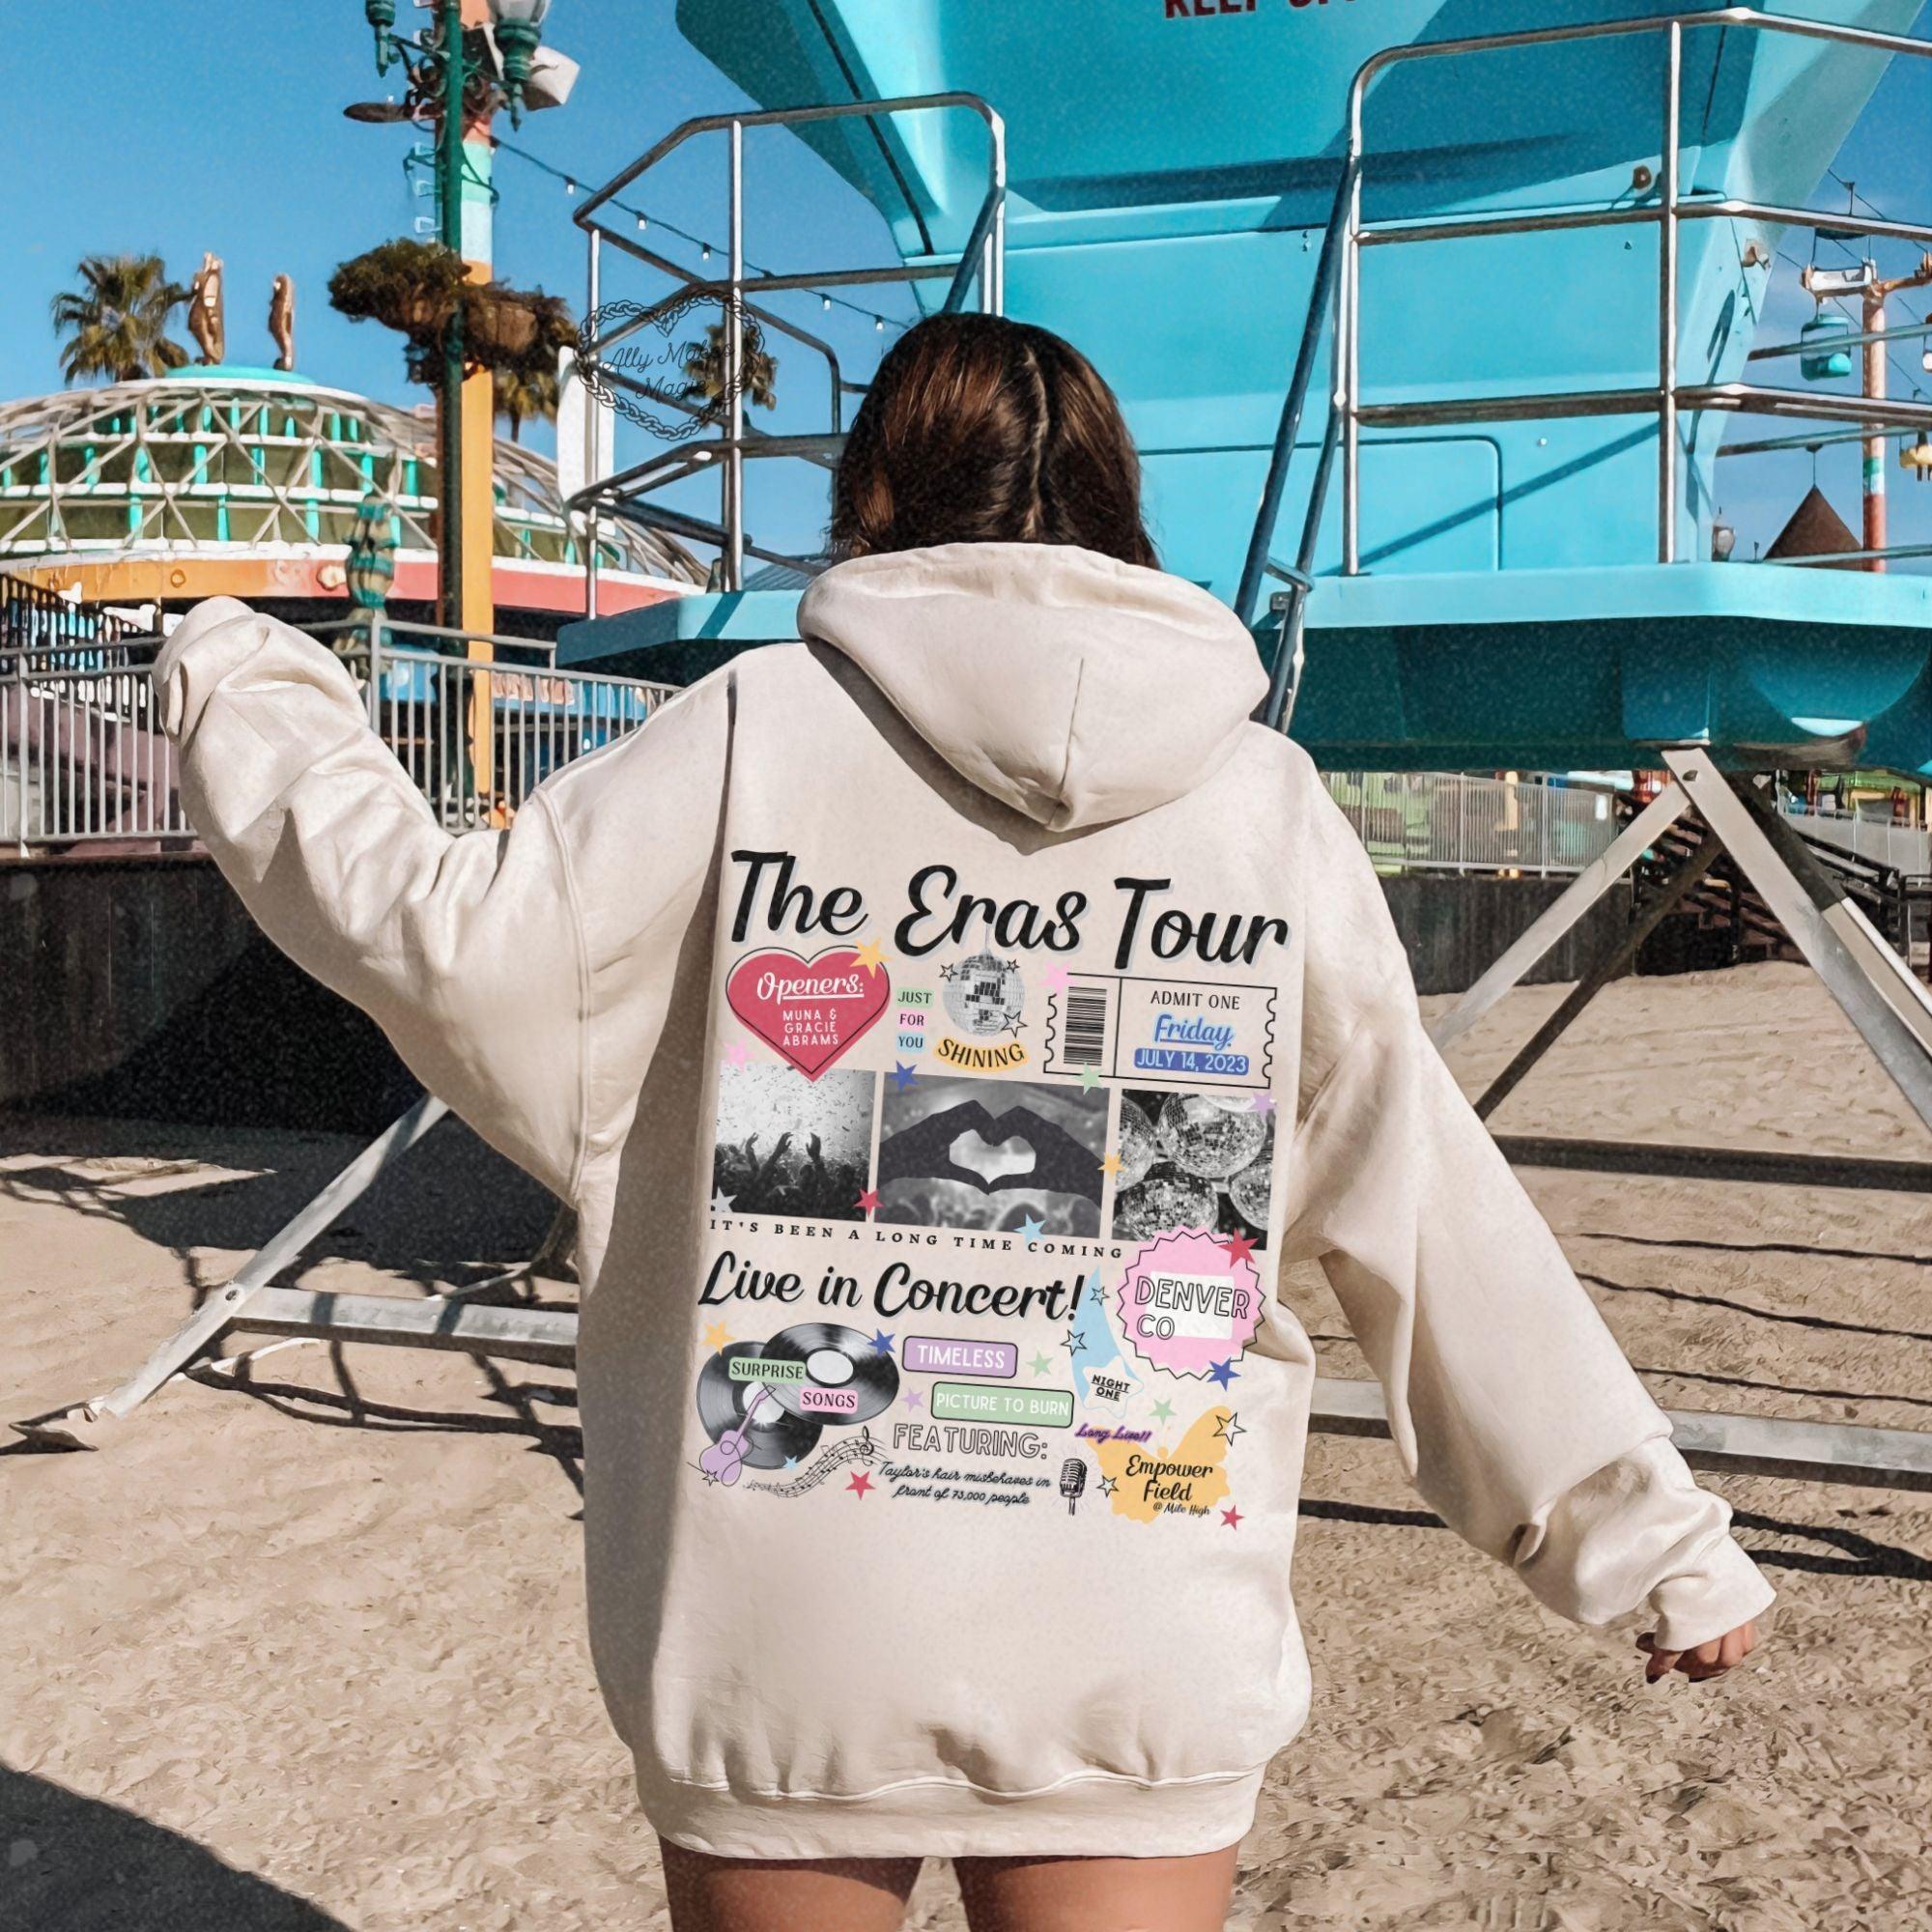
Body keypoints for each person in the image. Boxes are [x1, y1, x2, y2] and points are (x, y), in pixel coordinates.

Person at [156, 313, 1770, 1932]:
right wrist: (1648, 1542)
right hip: (1139, 1602)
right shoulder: (1263, 804)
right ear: (1121, 507)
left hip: (782, 1604)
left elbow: (442, 934)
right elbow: (1422, 1209)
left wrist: (243, 678)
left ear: (872, 492)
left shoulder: (749, 734)